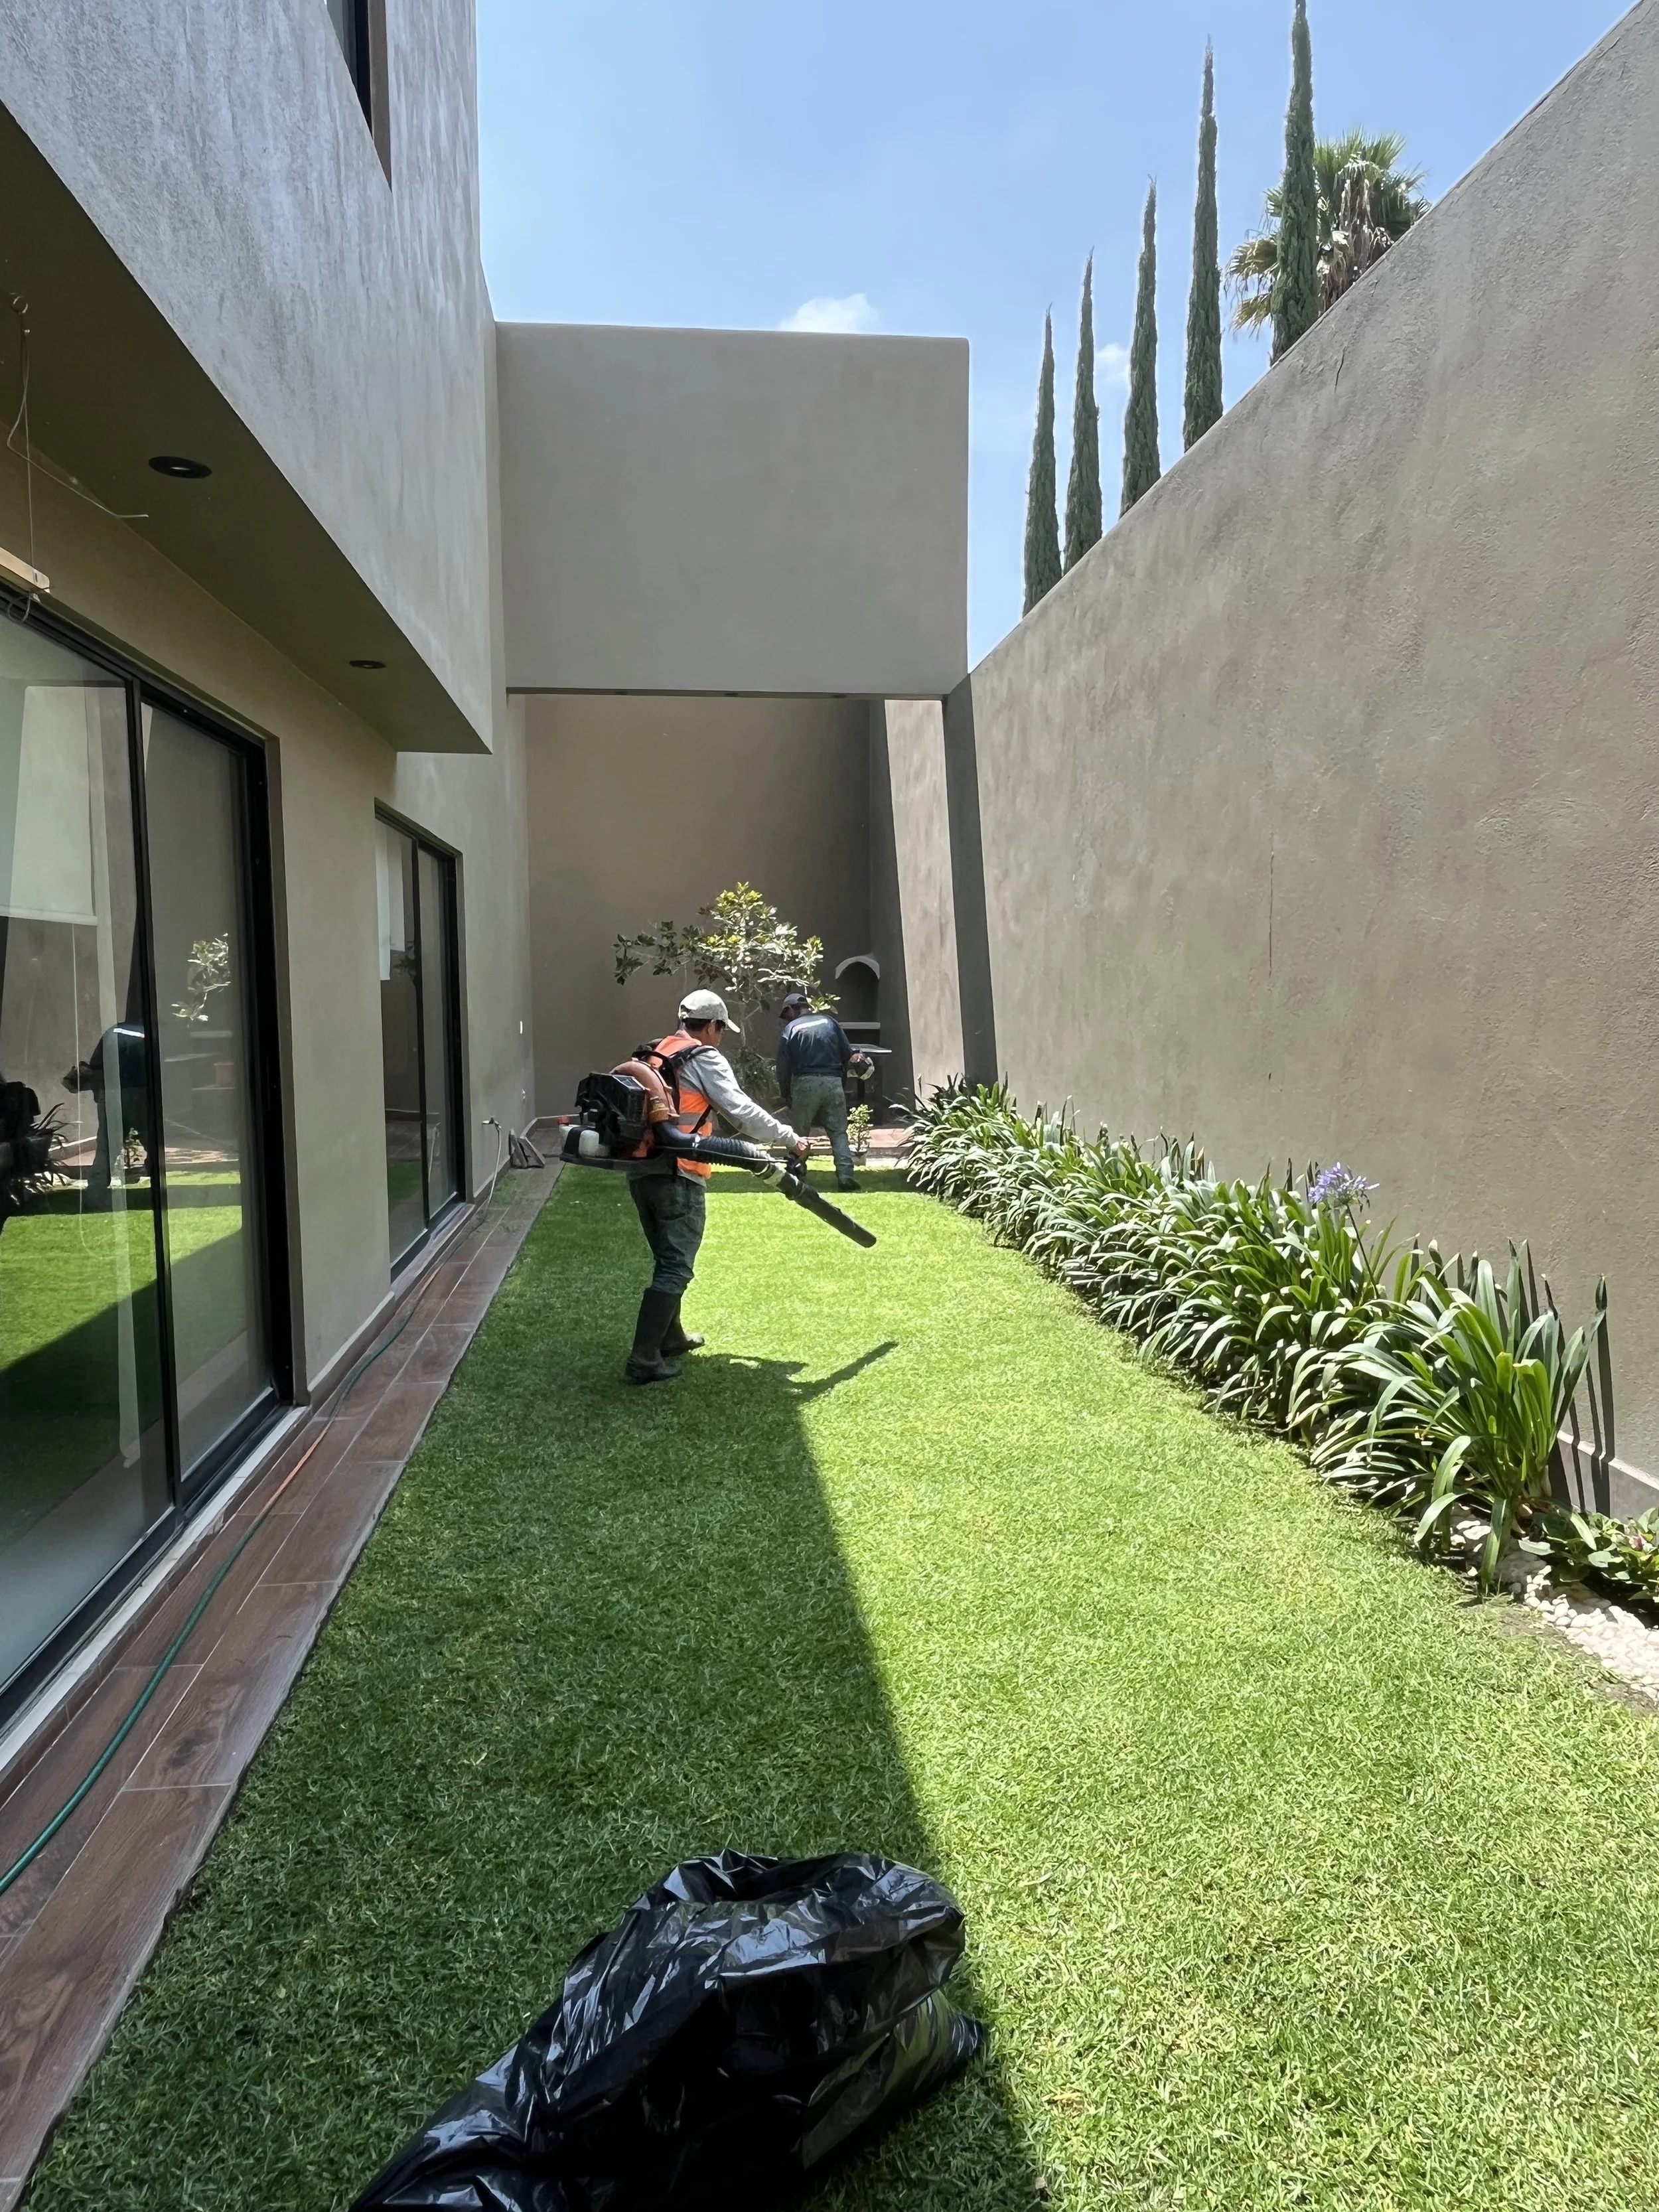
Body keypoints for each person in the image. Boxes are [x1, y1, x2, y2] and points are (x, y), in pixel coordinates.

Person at [623, 988, 808, 1386]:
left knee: (666, 1259)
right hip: (680, 1171)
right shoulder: (703, 1057)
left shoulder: (654, 1052)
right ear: (709, 1026)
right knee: (676, 1265)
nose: (721, 1037)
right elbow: (740, 1110)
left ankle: (669, 1338)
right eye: (721, 1029)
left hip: (642, 1171)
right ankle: (644, 1359)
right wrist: (790, 1138)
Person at [776, 992, 869, 1193]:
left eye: (786, 1014)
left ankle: (797, 1176)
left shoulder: (791, 1029)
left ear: (792, 1009)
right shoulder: (830, 1022)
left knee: (799, 1134)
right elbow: (847, 1054)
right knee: (838, 1132)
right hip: (833, 1082)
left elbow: (783, 1068)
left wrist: (786, 1094)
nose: (787, 1018)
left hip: (805, 1083)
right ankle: (846, 1176)